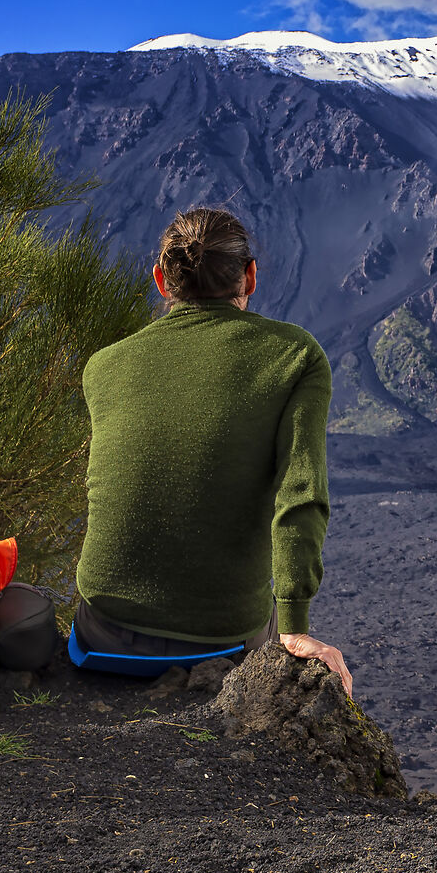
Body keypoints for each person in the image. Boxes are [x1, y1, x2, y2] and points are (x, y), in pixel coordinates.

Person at [60, 207, 352, 693]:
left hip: (103, 633)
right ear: (251, 276)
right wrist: (294, 626)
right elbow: (301, 496)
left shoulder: (103, 366)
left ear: (160, 280)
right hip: (223, 640)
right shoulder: (295, 355)